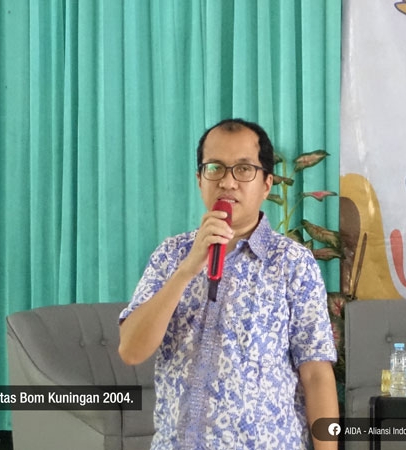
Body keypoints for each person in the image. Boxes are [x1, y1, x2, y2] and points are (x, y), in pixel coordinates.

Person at [118, 118, 339, 450]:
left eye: (244, 169)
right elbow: (131, 350)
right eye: (215, 168)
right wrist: (187, 269)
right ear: (199, 179)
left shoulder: (292, 262)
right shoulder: (171, 255)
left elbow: (317, 375)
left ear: (266, 183)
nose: (228, 182)